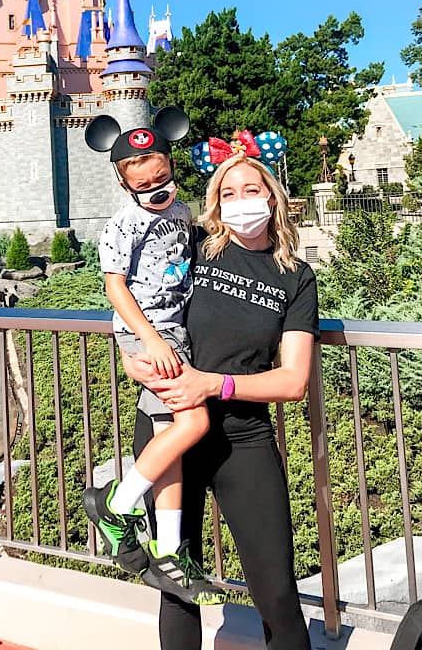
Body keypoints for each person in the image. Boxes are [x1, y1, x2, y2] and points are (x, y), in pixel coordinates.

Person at [122, 131, 319, 650]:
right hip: (170, 429)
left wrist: (215, 383)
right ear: (214, 203)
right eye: (227, 193)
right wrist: (132, 358)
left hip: (243, 438)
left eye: (250, 190)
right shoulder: (191, 246)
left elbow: (294, 379)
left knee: (275, 586)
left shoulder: (296, 278)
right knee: (178, 585)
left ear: (271, 196)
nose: (239, 202)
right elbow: (133, 301)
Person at [81, 109, 219, 604]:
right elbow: (114, 286)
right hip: (153, 335)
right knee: (195, 423)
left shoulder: (181, 213)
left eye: (162, 179)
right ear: (123, 184)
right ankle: (115, 503)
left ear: (171, 165)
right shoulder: (123, 225)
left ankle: (166, 551)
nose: (157, 191)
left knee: (171, 446)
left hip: (175, 330)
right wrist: (150, 341)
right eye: (144, 186)